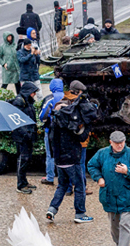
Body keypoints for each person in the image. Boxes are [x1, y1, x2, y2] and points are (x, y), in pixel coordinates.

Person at [87, 131, 130, 246]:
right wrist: (98, 178)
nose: (120, 146)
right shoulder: (102, 154)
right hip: (110, 196)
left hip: (127, 196)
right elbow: (92, 165)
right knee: (114, 227)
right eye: (117, 143)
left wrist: (127, 171)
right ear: (111, 142)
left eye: (122, 143)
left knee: (125, 224)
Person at [46, 80, 97, 223]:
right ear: (79, 92)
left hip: (59, 159)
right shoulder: (73, 112)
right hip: (71, 157)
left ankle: (52, 209)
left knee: (62, 185)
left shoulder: (57, 112)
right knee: (79, 186)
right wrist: (87, 127)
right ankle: (80, 214)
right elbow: (80, 136)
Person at [59, 80, 94, 196]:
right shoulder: (81, 103)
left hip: (66, 140)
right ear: (78, 91)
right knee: (80, 165)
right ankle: (82, 188)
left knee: (68, 164)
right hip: (80, 139)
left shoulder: (63, 100)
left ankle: (68, 189)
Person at [11, 81, 40, 194]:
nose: (34, 95)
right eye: (33, 92)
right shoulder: (19, 102)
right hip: (22, 137)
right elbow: (17, 121)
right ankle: (20, 185)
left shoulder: (27, 101)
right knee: (22, 160)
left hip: (27, 136)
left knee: (26, 160)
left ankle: (24, 181)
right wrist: (26, 134)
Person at [39, 78, 64, 186]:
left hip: (51, 131)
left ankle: (50, 177)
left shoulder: (49, 99)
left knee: (50, 155)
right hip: (65, 131)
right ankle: (64, 179)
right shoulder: (67, 97)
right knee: (63, 154)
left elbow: (42, 116)